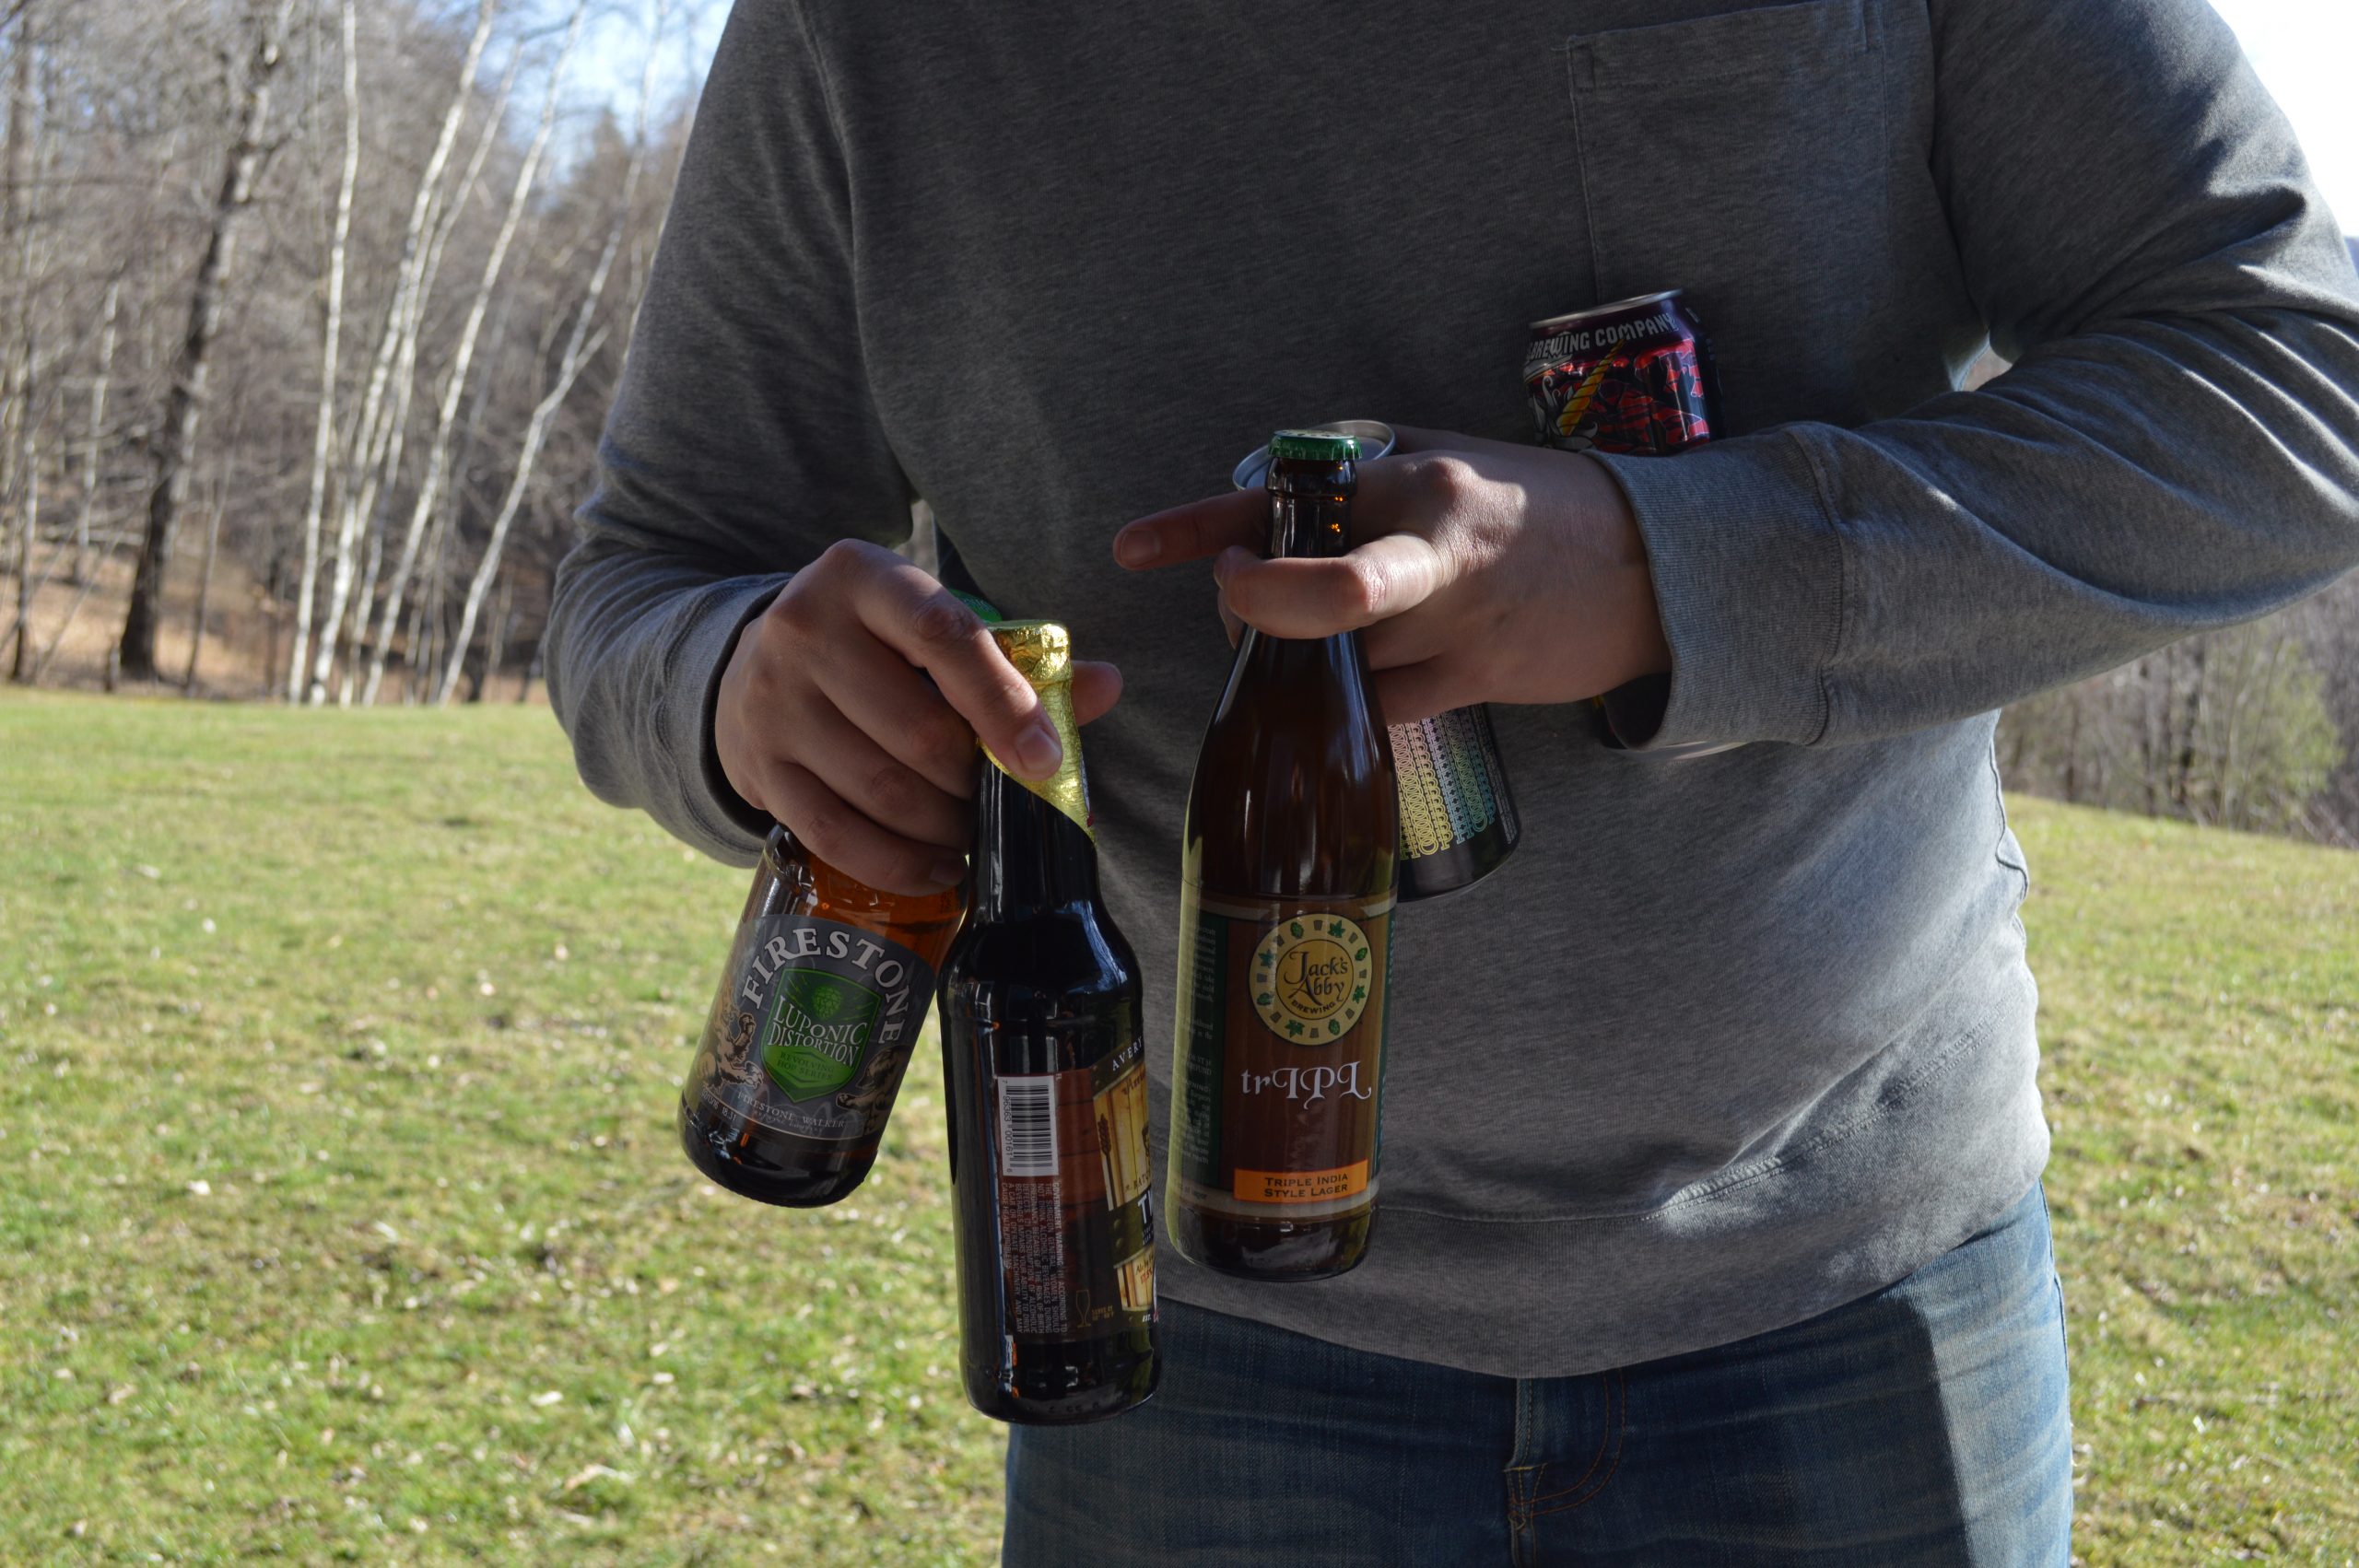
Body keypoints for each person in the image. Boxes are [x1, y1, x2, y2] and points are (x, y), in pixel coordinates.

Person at [546, 0, 2359, 1561]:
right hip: (1192, 1336)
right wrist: (734, 698)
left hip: (1854, 1281)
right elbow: (650, 574)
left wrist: (1670, 565)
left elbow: (2296, 380)